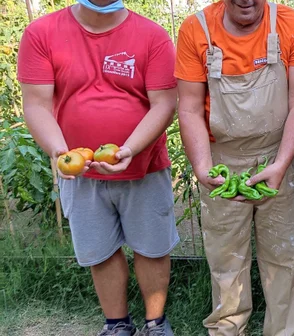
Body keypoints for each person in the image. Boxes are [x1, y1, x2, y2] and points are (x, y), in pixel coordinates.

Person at [16, 0, 180, 335]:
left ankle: (156, 323)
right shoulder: (41, 34)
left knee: (152, 247)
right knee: (99, 250)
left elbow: (165, 103)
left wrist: (131, 149)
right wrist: (58, 151)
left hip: (144, 168)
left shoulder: (153, 36)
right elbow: (35, 104)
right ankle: (117, 324)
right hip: (79, 172)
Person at [174, 0, 294, 334]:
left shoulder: (292, 25)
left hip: (277, 154)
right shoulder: (196, 29)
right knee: (225, 255)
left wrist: (282, 163)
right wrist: (202, 167)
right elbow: (190, 108)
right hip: (221, 160)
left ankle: (283, 329)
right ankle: (227, 327)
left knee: (282, 253)